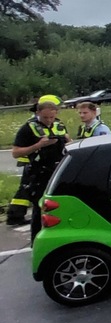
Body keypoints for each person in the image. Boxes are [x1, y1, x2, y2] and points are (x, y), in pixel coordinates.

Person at [10, 99, 71, 243]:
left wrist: (68, 142)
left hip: (59, 171)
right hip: (39, 174)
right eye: (45, 118)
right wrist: (38, 145)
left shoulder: (59, 125)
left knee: (61, 207)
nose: (49, 120)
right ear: (38, 113)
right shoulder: (28, 128)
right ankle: (36, 242)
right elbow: (16, 152)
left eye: (52, 117)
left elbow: (67, 143)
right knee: (39, 209)